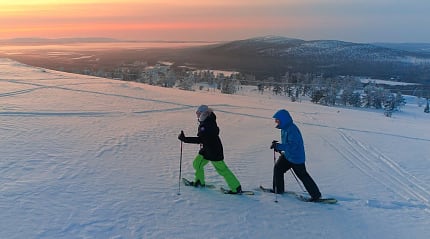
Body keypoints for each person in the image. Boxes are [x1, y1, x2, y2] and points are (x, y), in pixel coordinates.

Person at [178, 105, 242, 194]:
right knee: (197, 164)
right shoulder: (207, 120)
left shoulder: (207, 124)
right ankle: (199, 182)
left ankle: (236, 188)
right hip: (207, 150)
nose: (196, 115)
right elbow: (203, 138)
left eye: (198, 113)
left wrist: (185, 139)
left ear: (203, 113)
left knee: (222, 170)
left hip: (213, 151)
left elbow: (201, 139)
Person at [270, 109, 322, 201]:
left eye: (277, 119)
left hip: (296, 158)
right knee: (278, 168)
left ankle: (316, 196)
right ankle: (278, 190)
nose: (276, 121)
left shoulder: (292, 129)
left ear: (283, 119)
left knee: (303, 176)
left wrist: (279, 146)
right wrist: (279, 146)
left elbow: (293, 146)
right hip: (288, 156)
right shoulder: (284, 128)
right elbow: (287, 143)